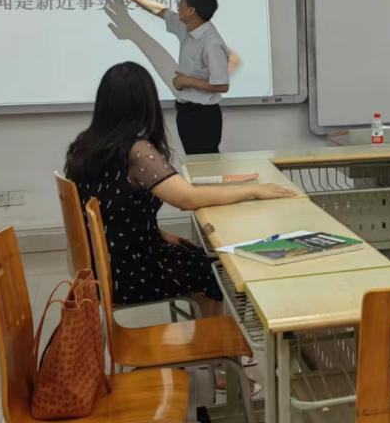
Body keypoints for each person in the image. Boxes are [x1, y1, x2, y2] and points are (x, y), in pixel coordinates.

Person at [65, 62, 297, 312]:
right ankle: (213, 334)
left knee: (199, 255)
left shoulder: (86, 145)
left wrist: (156, 233)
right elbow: (187, 198)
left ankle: (209, 328)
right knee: (216, 270)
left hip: (103, 266)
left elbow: (113, 209)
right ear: (146, 104)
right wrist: (253, 190)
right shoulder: (136, 151)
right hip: (130, 272)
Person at [105, 0, 230, 155]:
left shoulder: (211, 42)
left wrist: (187, 81)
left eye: (181, 3)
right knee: (193, 161)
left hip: (203, 114)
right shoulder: (187, 26)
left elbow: (222, 85)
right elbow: (159, 10)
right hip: (186, 110)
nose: (177, 6)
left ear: (192, 11)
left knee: (204, 163)